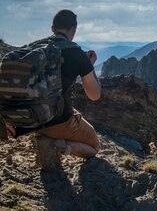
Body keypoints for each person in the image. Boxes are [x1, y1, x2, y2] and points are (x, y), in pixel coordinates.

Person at [4, 9, 102, 172]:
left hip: (28, 119)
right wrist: (88, 65)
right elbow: (94, 95)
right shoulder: (77, 53)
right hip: (59, 120)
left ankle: (44, 136)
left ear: (52, 29)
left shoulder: (33, 48)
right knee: (94, 146)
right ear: (74, 29)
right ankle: (59, 146)